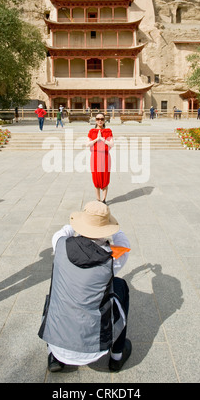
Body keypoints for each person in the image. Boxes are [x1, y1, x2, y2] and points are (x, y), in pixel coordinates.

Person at [38, 200, 131, 373]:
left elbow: (64, 230)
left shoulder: (59, 244)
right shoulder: (112, 259)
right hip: (95, 345)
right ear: (106, 229)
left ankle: (53, 355)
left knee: (55, 295)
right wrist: (113, 227)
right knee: (120, 285)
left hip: (58, 342)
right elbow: (124, 243)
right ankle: (117, 355)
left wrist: (80, 222)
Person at [86, 112, 113, 204]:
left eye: (102, 119)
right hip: (95, 156)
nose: (100, 121)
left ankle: (104, 200)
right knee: (96, 178)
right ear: (95, 120)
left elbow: (111, 144)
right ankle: (98, 199)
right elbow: (87, 144)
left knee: (105, 177)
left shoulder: (108, 131)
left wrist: (103, 139)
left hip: (105, 156)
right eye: (98, 119)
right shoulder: (92, 131)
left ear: (104, 120)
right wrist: (97, 139)